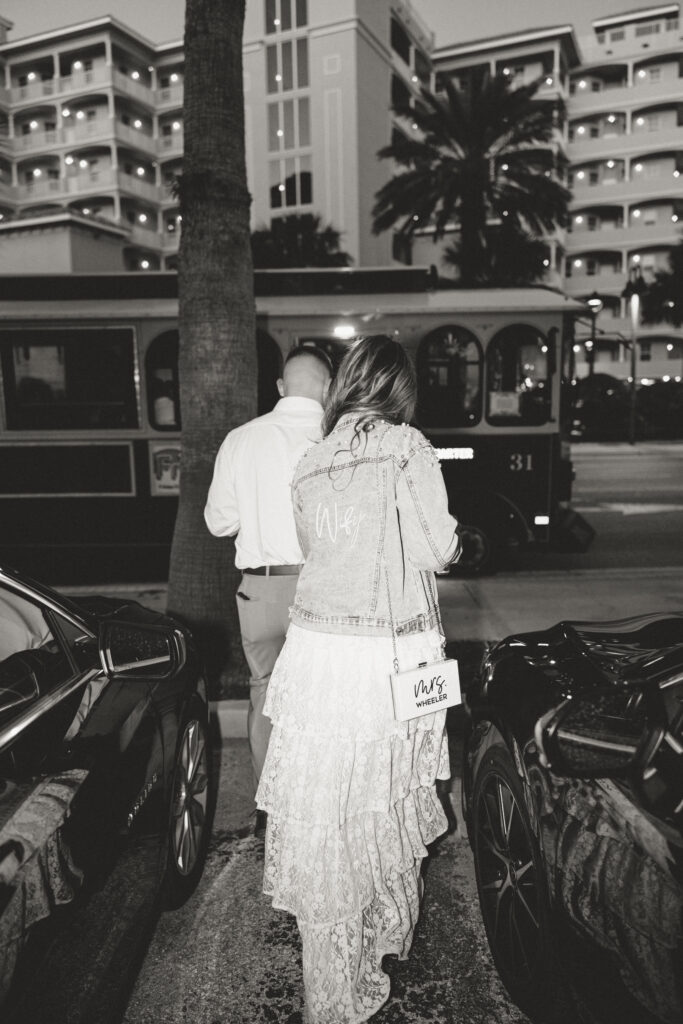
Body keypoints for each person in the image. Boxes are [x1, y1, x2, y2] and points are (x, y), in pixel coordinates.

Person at [256, 335, 461, 1023]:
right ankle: (372, 951)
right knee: (381, 805)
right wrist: (456, 542)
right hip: (387, 658)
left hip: (314, 656)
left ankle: (333, 995)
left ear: (347, 385)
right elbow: (436, 548)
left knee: (327, 823)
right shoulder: (407, 447)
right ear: (399, 389)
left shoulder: (309, 462)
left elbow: (315, 550)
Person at [204, 346, 332, 790]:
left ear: (281, 387)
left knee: (264, 690)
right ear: (329, 387)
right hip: (321, 589)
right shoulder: (339, 440)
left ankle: (270, 797)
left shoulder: (241, 438)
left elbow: (219, 522)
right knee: (323, 693)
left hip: (259, 591)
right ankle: (315, 795)